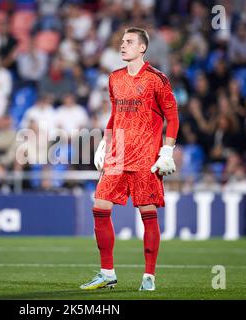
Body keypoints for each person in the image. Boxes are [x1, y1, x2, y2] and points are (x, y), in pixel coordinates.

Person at [79, 27, 179, 292]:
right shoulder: (114, 78)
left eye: (129, 42)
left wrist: (167, 150)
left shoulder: (158, 79)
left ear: (142, 48)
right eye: (122, 42)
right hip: (119, 153)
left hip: (146, 156)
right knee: (99, 207)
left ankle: (149, 276)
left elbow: (173, 117)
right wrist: (105, 140)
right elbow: (115, 114)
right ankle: (107, 273)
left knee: (147, 213)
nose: (123, 46)